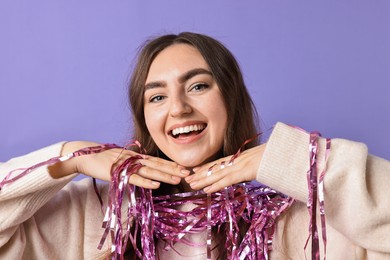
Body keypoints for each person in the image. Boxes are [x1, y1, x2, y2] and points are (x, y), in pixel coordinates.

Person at [0, 32, 389, 259]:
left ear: (231, 99)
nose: (179, 109)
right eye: (156, 97)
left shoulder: (294, 221)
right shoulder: (95, 214)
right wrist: (71, 156)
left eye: (198, 86)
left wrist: (291, 160)